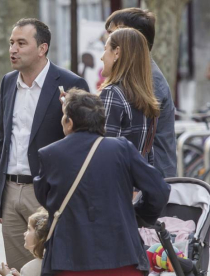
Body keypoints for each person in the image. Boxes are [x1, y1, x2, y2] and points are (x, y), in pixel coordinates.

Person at [34, 89, 171, 276]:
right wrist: (139, 215)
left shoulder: (50, 154)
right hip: (122, 257)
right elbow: (159, 189)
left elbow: (45, 198)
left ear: (69, 122)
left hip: (70, 259)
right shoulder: (122, 149)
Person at [0, 18, 90, 271]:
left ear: (42, 48)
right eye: (12, 42)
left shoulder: (71, 84)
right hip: (11, 189)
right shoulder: (8, 82)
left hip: (48, 191)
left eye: (21, 43)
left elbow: (82, 143)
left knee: (53, 264)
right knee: (18, 268)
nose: (13, 49)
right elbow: (3, 138)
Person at [105, 8, 176, 178]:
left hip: (150, 180)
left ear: (132, 39)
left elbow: (129, 135)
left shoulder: (148, 79)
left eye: (113, 34)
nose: (108, 42)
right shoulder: (137, 75)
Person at [99, 27, 160, 165]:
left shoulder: (111, 93)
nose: (101, 56)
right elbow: (148, 156)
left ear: (117, 52)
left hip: (115, 183)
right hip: (137, 183)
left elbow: (101, 151)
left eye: (105, 49)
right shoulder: (147, 98)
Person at [0, 209, 49, 276]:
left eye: (29, 229)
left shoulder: (30, 269)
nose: (24, 233)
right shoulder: (54, 263)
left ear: (39, 236)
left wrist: (7, 274)